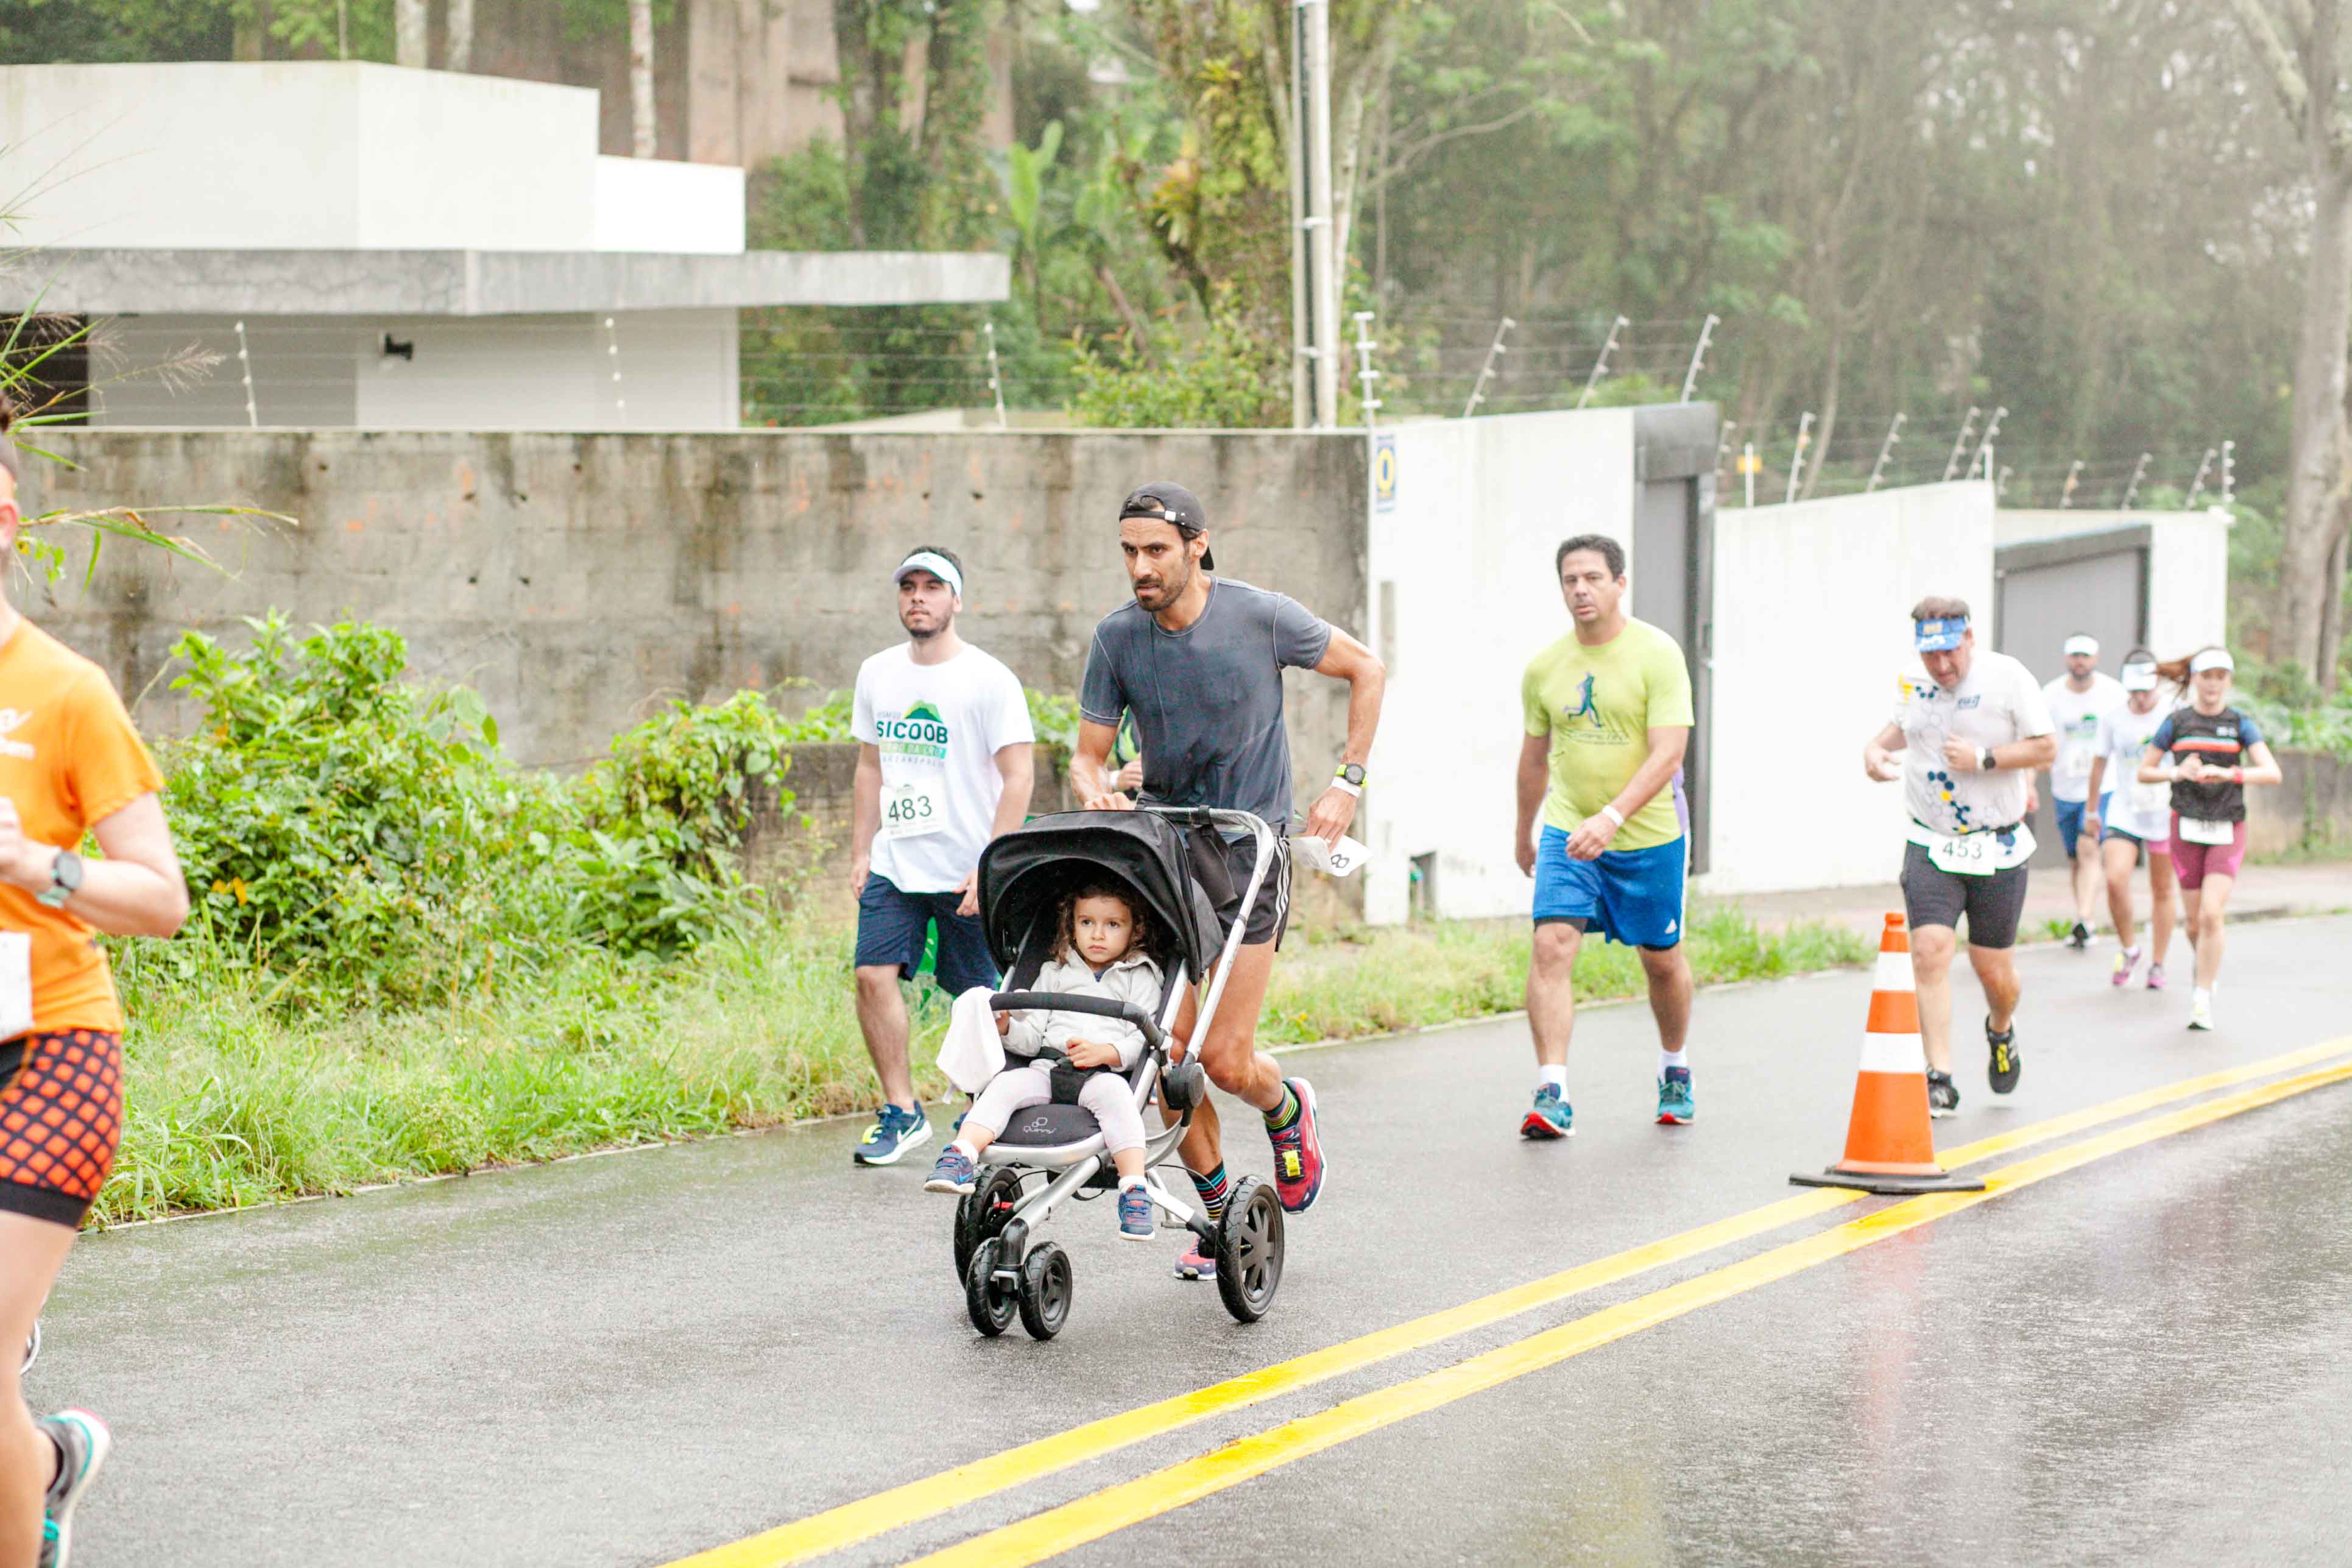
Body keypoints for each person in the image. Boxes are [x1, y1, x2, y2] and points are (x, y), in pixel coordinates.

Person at [1069, 481, 1385, 1282]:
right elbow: (1087, 756)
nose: (1140, 568)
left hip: (1250, 851)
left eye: (1155, 550)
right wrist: (1097, 790)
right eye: (1129, 552)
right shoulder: (1117, 638)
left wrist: (1347, 782)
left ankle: (1287, 1105)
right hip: (1165, 855)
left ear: (1196, 545)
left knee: (1226, 1059)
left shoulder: (1262, 616)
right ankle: (1218, 1217)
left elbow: (1367, 669)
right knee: (1166, 1054)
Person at [0, 431, 191, 1567]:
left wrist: (36, 864)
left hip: (51, 1050)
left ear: (5, 520)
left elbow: (161, 897)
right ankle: (49, 1459)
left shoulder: (66, 691)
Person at [847, 546, 1036, 1166]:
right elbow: (869, 766)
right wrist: (861, 851)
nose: (918, 598)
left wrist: (991, 864)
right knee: (872, 976)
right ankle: (901, 1111)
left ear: (957, 600)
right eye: (909, 587)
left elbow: (1019, 776)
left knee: (977, 998)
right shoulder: (877, 672)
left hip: (965, 868)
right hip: (895, 862)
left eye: (932, 587)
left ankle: (985, 1110)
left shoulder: (989, 678)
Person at [1513, 534, 1697, 1138]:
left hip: (1649, 834)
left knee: (1661, 961)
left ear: (1620, 583)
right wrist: (1524, 831)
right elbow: (1534, 759)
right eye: (1570, 580)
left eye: (1593, 578)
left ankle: (1675, 1068)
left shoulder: (1657, 654)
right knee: (1551, 945)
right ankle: (1552, 1091)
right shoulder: (1545, 667)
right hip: (1569, 829)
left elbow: (1669, 753)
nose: (1580, 590)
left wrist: (1613, 817)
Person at [1862, 597, 2057, 1116]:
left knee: (1992, 970)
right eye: (1931, 655)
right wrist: (1875, 749)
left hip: (1996, 843)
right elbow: (1903, 726)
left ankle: (2000, 1029)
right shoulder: (1911, 680)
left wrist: (1984, 758)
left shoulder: (2007, 677)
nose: (1942, 665)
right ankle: (1939, 1075)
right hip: (1932, 840)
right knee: (1928, 950)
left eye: (1950, 652)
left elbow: (2045, 748)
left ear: (1969, 638)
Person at [923, 883, 1164, 1238]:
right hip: (1047, 1067)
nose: (1098, 935)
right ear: (1072, 926)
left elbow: (1143, 1040)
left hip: (1101, 1074)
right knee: (1005, 1085)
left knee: (1119, 1102)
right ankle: (961, 1154)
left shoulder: (1141, 976)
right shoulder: (1055, 972)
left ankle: (1133, 1188)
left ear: (1135, 930)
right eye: (1087, 923)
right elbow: (1032, 1038)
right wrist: (1007, 1028)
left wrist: (1107, 1053)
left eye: (1113, 925)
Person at [2134, 646, 2281, 1031]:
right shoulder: (2177, 722)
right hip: (2186, 826)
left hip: (2227, 826)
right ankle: (2206, 966)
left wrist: (2231, 774)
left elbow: (2272, 772)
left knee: (2212, 913)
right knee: (2195, 924)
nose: (2214, 684)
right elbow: (2145, 771)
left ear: (2228, 681)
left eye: (2221, 677)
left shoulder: (2240, 723)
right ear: (2195, 679)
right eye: (2207, 676)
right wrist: (2177, 772)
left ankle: (2201, 996)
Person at [2082, 648, 2180, 990]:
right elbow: (2099, 763)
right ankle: (2129, 949)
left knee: (2162, 888)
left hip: (2164, 811)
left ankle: (2158, 962)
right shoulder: (2114, 718)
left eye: (2146, 691)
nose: (2140, 698)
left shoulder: (2174, 715)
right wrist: (2092, 809)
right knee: (2115, 877)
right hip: (2125, 809)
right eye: (2134, 691)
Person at [2040, 633, 2126, 949]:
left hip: (2104, 785)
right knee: (2075, 857)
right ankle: (2084, 922)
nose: (2081, 662)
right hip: (2065, 786)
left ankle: (2085, 915)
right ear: (2067, 658)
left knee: (2089, 847)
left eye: (2086, 656)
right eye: (2075, 656)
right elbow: (2038, 739)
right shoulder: (2051, 695)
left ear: (2096, 658)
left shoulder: (2113, 693)